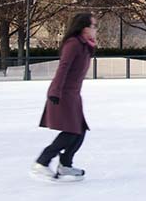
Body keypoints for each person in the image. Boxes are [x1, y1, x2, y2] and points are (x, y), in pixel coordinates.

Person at [30, 13, 97, 182]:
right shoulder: (73, 44)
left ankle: (65, 164)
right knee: (71, 131)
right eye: (93, 26)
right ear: (84, 28)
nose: (95, 29)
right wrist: (54, 91)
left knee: (80, 131)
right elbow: (63, 67)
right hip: (63, 94)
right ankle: (42, 162)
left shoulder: (84, 45)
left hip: (73, 94)